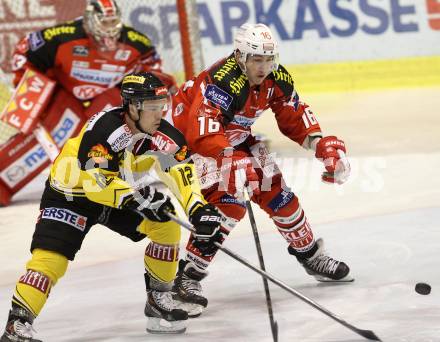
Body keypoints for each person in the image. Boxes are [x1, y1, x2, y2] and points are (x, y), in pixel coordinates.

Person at [0, 72, 222, 341]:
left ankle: (158, 298)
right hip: (71, 195)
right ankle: (17, 325)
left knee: (166, 226)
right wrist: (140, 199)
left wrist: (197, 209)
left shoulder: (164, 135)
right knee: (51, 260)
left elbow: (180, 173)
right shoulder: (104, 129)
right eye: (152, 107)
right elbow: (95, 184)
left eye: (162, 106)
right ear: (132, 106)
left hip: (119, 193)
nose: (159, 114)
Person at [167, 23, 353, 316]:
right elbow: (200, 132)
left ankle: (310, 256)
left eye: (269, 59)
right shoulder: (223, 81)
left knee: (279, 196)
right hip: (193, 145)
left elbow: (293, 115)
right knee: (228, 205)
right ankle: (187, 277)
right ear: (240, 57)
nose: (264, 66)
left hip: (235, 140)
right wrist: (230, 158)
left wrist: (320, 145)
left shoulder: (276, 77)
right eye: (257, 59)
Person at [0, 0, 176, 206]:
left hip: (109, 96)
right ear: (90, 21)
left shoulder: (137, 42)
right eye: (104, 23)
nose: (109, 30)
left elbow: (152, 69)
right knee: (59, 130)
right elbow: (24, 50)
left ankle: (132, 168)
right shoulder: (62, 36)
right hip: (66, 94)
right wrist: (25, 88)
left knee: (121, 123)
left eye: (113, 23)